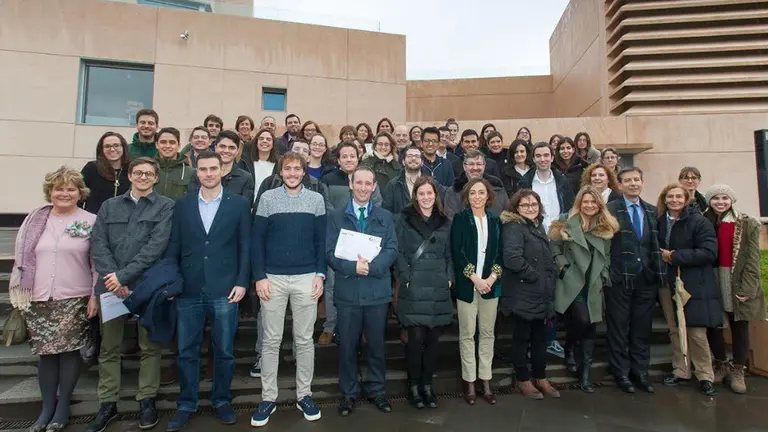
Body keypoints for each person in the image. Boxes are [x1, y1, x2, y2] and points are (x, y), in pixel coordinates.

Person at [164, 152, 251, 431]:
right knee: (187, 350)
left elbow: (244, 247)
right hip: (189, 289)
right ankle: (186, 403)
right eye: (203, 169)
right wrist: (174, 281)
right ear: (197, 172)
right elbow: (174, 246)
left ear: (223, 170)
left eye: (214, 168)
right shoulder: (183, 205)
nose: (209, 173)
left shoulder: (238, 204)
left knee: (224, 350)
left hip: (226, 289)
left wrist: (241, 282)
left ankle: (222, 400)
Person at [88, 157, 175, 432]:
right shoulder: (109, 206)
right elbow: (98, 243)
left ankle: (146, 400)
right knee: (109, 347)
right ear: (129, 175)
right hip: (111, 287)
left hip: (146, 287)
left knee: (149, 346)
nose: (143, 177)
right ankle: (107, 403)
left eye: (149, 173)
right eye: (138, 172)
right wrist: (114, 277)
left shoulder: (165, 206)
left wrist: (124, 277)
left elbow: (156, 246)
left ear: (156, 177)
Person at [11, 167, 98, 432]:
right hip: (38, 297)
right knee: (46, 356)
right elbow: (21, 257)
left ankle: (61, 411)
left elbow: (97, 263)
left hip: (74, 296)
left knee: (70, 354)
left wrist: (95, 295)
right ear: (50, 191)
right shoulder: (35, 220)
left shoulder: (91, 220)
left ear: (79, 193)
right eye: (59, 188)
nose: (64, 193)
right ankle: (46, 409)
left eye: (71, 189)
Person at [250, 153, 326, 426]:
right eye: (288, 169)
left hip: (307, 277)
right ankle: (268, 397)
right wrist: (259, 276)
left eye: (297, 169)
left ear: (304, 172)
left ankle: (304, 394)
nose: (293, 173)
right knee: (271, 341)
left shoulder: (316, 200)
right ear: (280, 172)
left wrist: (320, 274)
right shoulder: (268, 199)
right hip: (273, 279)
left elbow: (321, 241)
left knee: (304, 340)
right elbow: (256, 240)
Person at [326, 166, 398, 417]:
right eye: (359, 183)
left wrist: (373, 267)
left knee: (377, 346)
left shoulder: (385, 217)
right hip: (347, 293)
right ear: (351, 183)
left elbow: (391, 249)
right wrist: (354, 267)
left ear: (374, 186)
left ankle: (377, 390)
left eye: (369, 183)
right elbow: (329, 253)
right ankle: (349, 393)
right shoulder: (336, 216)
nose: (364, 188)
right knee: (347, 346)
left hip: (377, 292)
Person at [549, 186, 618, 394]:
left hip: (594, 281)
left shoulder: (606, 227)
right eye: (585, 202)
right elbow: (554, 248)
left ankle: (585, 372)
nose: (589, 205)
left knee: (591, 326)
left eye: (593, 202)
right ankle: (570, 347)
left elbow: (607, 255)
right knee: (583, 320)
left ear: (599, 205)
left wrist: (604, 275)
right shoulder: (565, 225)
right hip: (573, 281)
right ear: (579, 203)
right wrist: (563, 267)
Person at [393, 177, 452, 409]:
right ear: (415, 196)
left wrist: (449, 277)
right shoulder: (404, 219)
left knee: (433, 341)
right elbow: (397, 251)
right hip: (414, 287)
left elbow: (450, 254)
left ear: (435, 196)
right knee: (415, 341)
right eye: (422, 193)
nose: (426, 197)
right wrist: (406, 277)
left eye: (430, 193)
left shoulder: (445, 221)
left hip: (438, 286)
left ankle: (428, 385)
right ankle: (414, 386)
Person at [657, 183, 721, 396]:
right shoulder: (659, 222)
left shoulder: (699, 222)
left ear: (686, 199)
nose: (674, 200)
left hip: (693, 282)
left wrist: (675, 256)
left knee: (696, 331)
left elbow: (709, 252)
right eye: (670, 196)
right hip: (667, 283)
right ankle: (681, 369)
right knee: (675, 329)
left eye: (678, 196)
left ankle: (705, 374)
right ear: (665, 199)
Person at [604, 167, 663, 395]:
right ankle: (621, 373)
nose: (633, 184)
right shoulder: (610, 209)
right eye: (627, 181)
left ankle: (641, 373)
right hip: (620, 279)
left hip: (646, 279)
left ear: (642, 182)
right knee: (619, 328)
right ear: (619, 185)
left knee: (641, 329)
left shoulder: (651, 210)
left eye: (636, 180)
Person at [702, 184, 766, 394]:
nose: (720, 202)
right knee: (714, 323)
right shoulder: (704, 221)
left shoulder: (746, 223)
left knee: (739, 323)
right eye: (716, 198)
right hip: (712, 277)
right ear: (709, 201)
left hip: (735, 278)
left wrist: (748, 288)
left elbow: (752, 259)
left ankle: (738, 368)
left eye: (725, 198)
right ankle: (721, 363)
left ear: (731, 200)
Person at [500, 189, 560, 400]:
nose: (530, 208)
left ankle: (540, 377)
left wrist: (551, 272)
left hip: (541, 294)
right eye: (525, 205)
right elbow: (512, 258)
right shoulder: (514, 227)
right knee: (522, 338)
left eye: (534, 204)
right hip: (522, 292)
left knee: (540, 339)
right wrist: (534, 275)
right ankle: (523, 379)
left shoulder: (538, 226)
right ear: (516, 208)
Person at [451, 178, 503, 405]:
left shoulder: (495, 220)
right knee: (467, 333)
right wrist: (475, 278)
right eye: (473, 192)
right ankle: (470, 382)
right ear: (467, 196)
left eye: (482, 192)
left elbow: (500, 254)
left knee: (487, 334)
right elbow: (457, 251)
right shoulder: (461, 219)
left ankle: (486, 380)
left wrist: (490, 278)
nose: (478, 196)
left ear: (488, 195)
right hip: (467, 285)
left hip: (491, 286)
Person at [518, 142, 574, 233]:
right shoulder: (525, 183)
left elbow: (570, 208)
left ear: (552, 158)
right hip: (535, 235)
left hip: (559, 235)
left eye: (546, 155)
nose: (542, 159)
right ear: (533, 159)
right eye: (538, 156)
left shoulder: (563, 182)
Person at [444, 150, 509, 221]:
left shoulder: (497, 188)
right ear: (464, 166)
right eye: (471, 164)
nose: (475, 168)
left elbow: (507, 214)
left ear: (484, 166)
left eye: (478, 164)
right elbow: (451, 220)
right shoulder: (453, 192)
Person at [80, 132, 131, 215]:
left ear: (123, 148)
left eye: (116, 145)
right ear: (102, 149)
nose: (112, 149)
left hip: (124, 222)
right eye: (107, 146)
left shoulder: (131, 170)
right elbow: (79, 195)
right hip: (95, 221)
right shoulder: (91, 168)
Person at [383, 146, 435, 215]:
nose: (413, 158)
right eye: (409, 156)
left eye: (417, 156)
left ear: (422, 162)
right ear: (403, 162)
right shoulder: (393, 185)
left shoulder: (432, 183)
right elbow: (386, 213)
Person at [212, 130, 255, 205]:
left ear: (237, 151)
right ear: (215, 147)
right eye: (222, 146)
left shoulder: (246, 179)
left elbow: (244, 208)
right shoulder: (202, 175)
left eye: (231, 147)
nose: (226, 151)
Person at [154, 127, 196, 200]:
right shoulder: (148, 170)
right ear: (157, 145)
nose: (167, 146)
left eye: (172, 142)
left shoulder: (190, 172)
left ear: (179, 145)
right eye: (163, 142)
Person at [244, 128, 279, 195]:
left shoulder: (279, 165)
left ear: (273, 144)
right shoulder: (245, 162)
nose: (264, 141)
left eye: (268, 139)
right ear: (256, 143)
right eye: (261, 139)